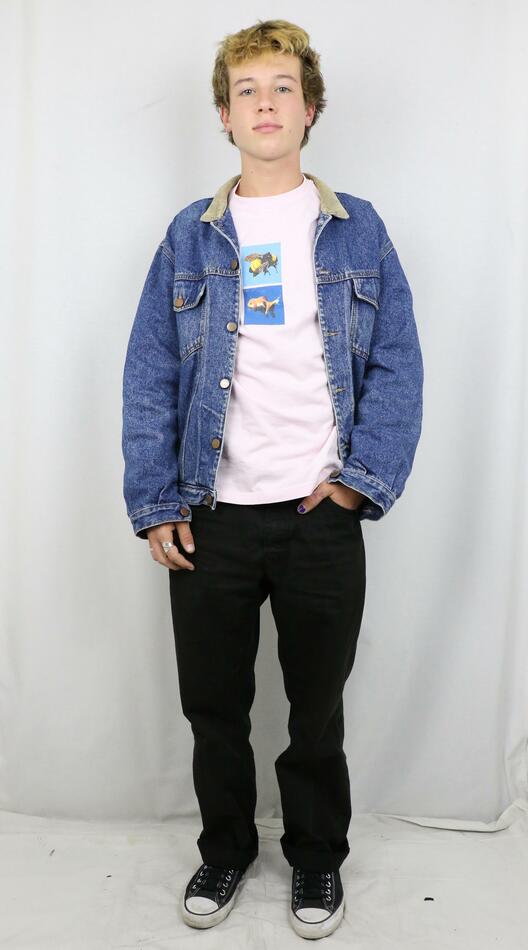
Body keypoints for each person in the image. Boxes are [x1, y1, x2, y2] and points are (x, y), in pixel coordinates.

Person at [121, 17, 424, 940]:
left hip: (318, 513)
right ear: (224, 114)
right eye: (247, 90)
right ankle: (225, 848)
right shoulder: (190, 236)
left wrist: (359, 483)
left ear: (310, 109)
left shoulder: (357, 230)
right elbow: (150, 372)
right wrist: (156, 503)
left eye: (282, 88)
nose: (265, 104)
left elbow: (398, 365)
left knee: (316, 710)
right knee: (214, 708)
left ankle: (316, 858)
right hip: (210, 515)